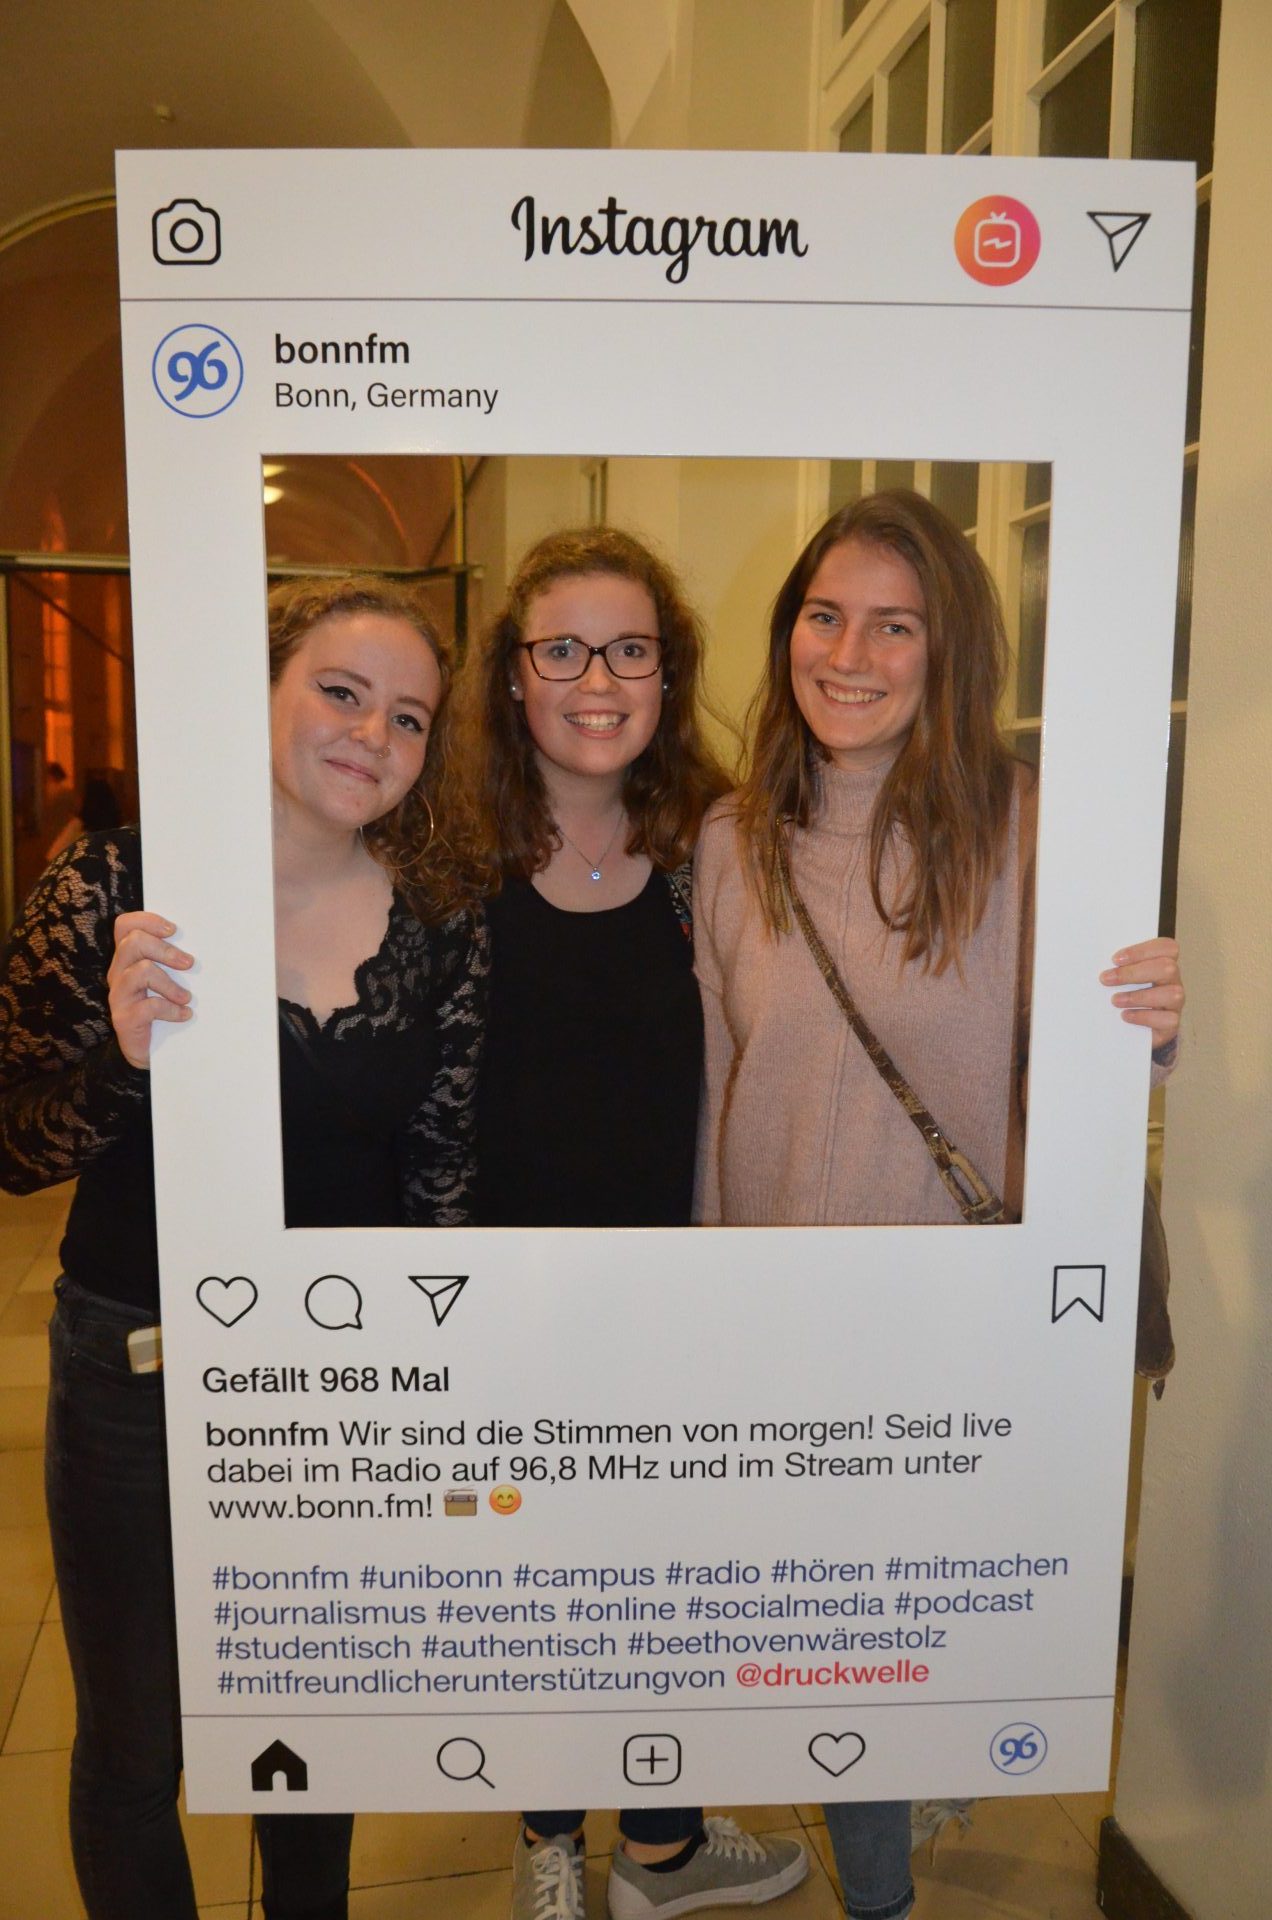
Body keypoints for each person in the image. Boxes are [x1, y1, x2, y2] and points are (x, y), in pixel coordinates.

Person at [693, 490, 1184, 1920]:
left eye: (894, 625)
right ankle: (891, 1843)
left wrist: (1155, 1026)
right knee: (835, 1637)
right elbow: (722, 1081)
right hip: (780, 1315)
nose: (849, 655)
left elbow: (1088, 1066)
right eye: (824, 616)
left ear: (950, 649)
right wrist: (704, 1299)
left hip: (955, 1326)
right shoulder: (730, 839)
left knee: (887, 1639)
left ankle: (883, 1885)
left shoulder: (1033, 829)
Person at [0, 576, 486, 1920]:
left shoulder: (438, 919)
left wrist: (448, 1385)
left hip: (343, 1383)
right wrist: (123, 1056)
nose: (372, 735)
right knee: (136, 1745)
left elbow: (439, 1176)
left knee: (310, 1723)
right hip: (136, 1367)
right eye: (340, 691)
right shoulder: (113, 882)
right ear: (262, 691)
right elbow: (12, 1146)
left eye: (409, 717)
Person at [438, 525, 809, 1920]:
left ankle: (659, 1847)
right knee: (537, 1585)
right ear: (513, 674)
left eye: (631, 650)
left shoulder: (720, 847)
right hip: (499, 1309)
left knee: (663, 1579)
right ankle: (548, 1838)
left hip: (677, 1294)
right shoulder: (443, 859)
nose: (598, 680)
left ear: (668, 672)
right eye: (564, 649)